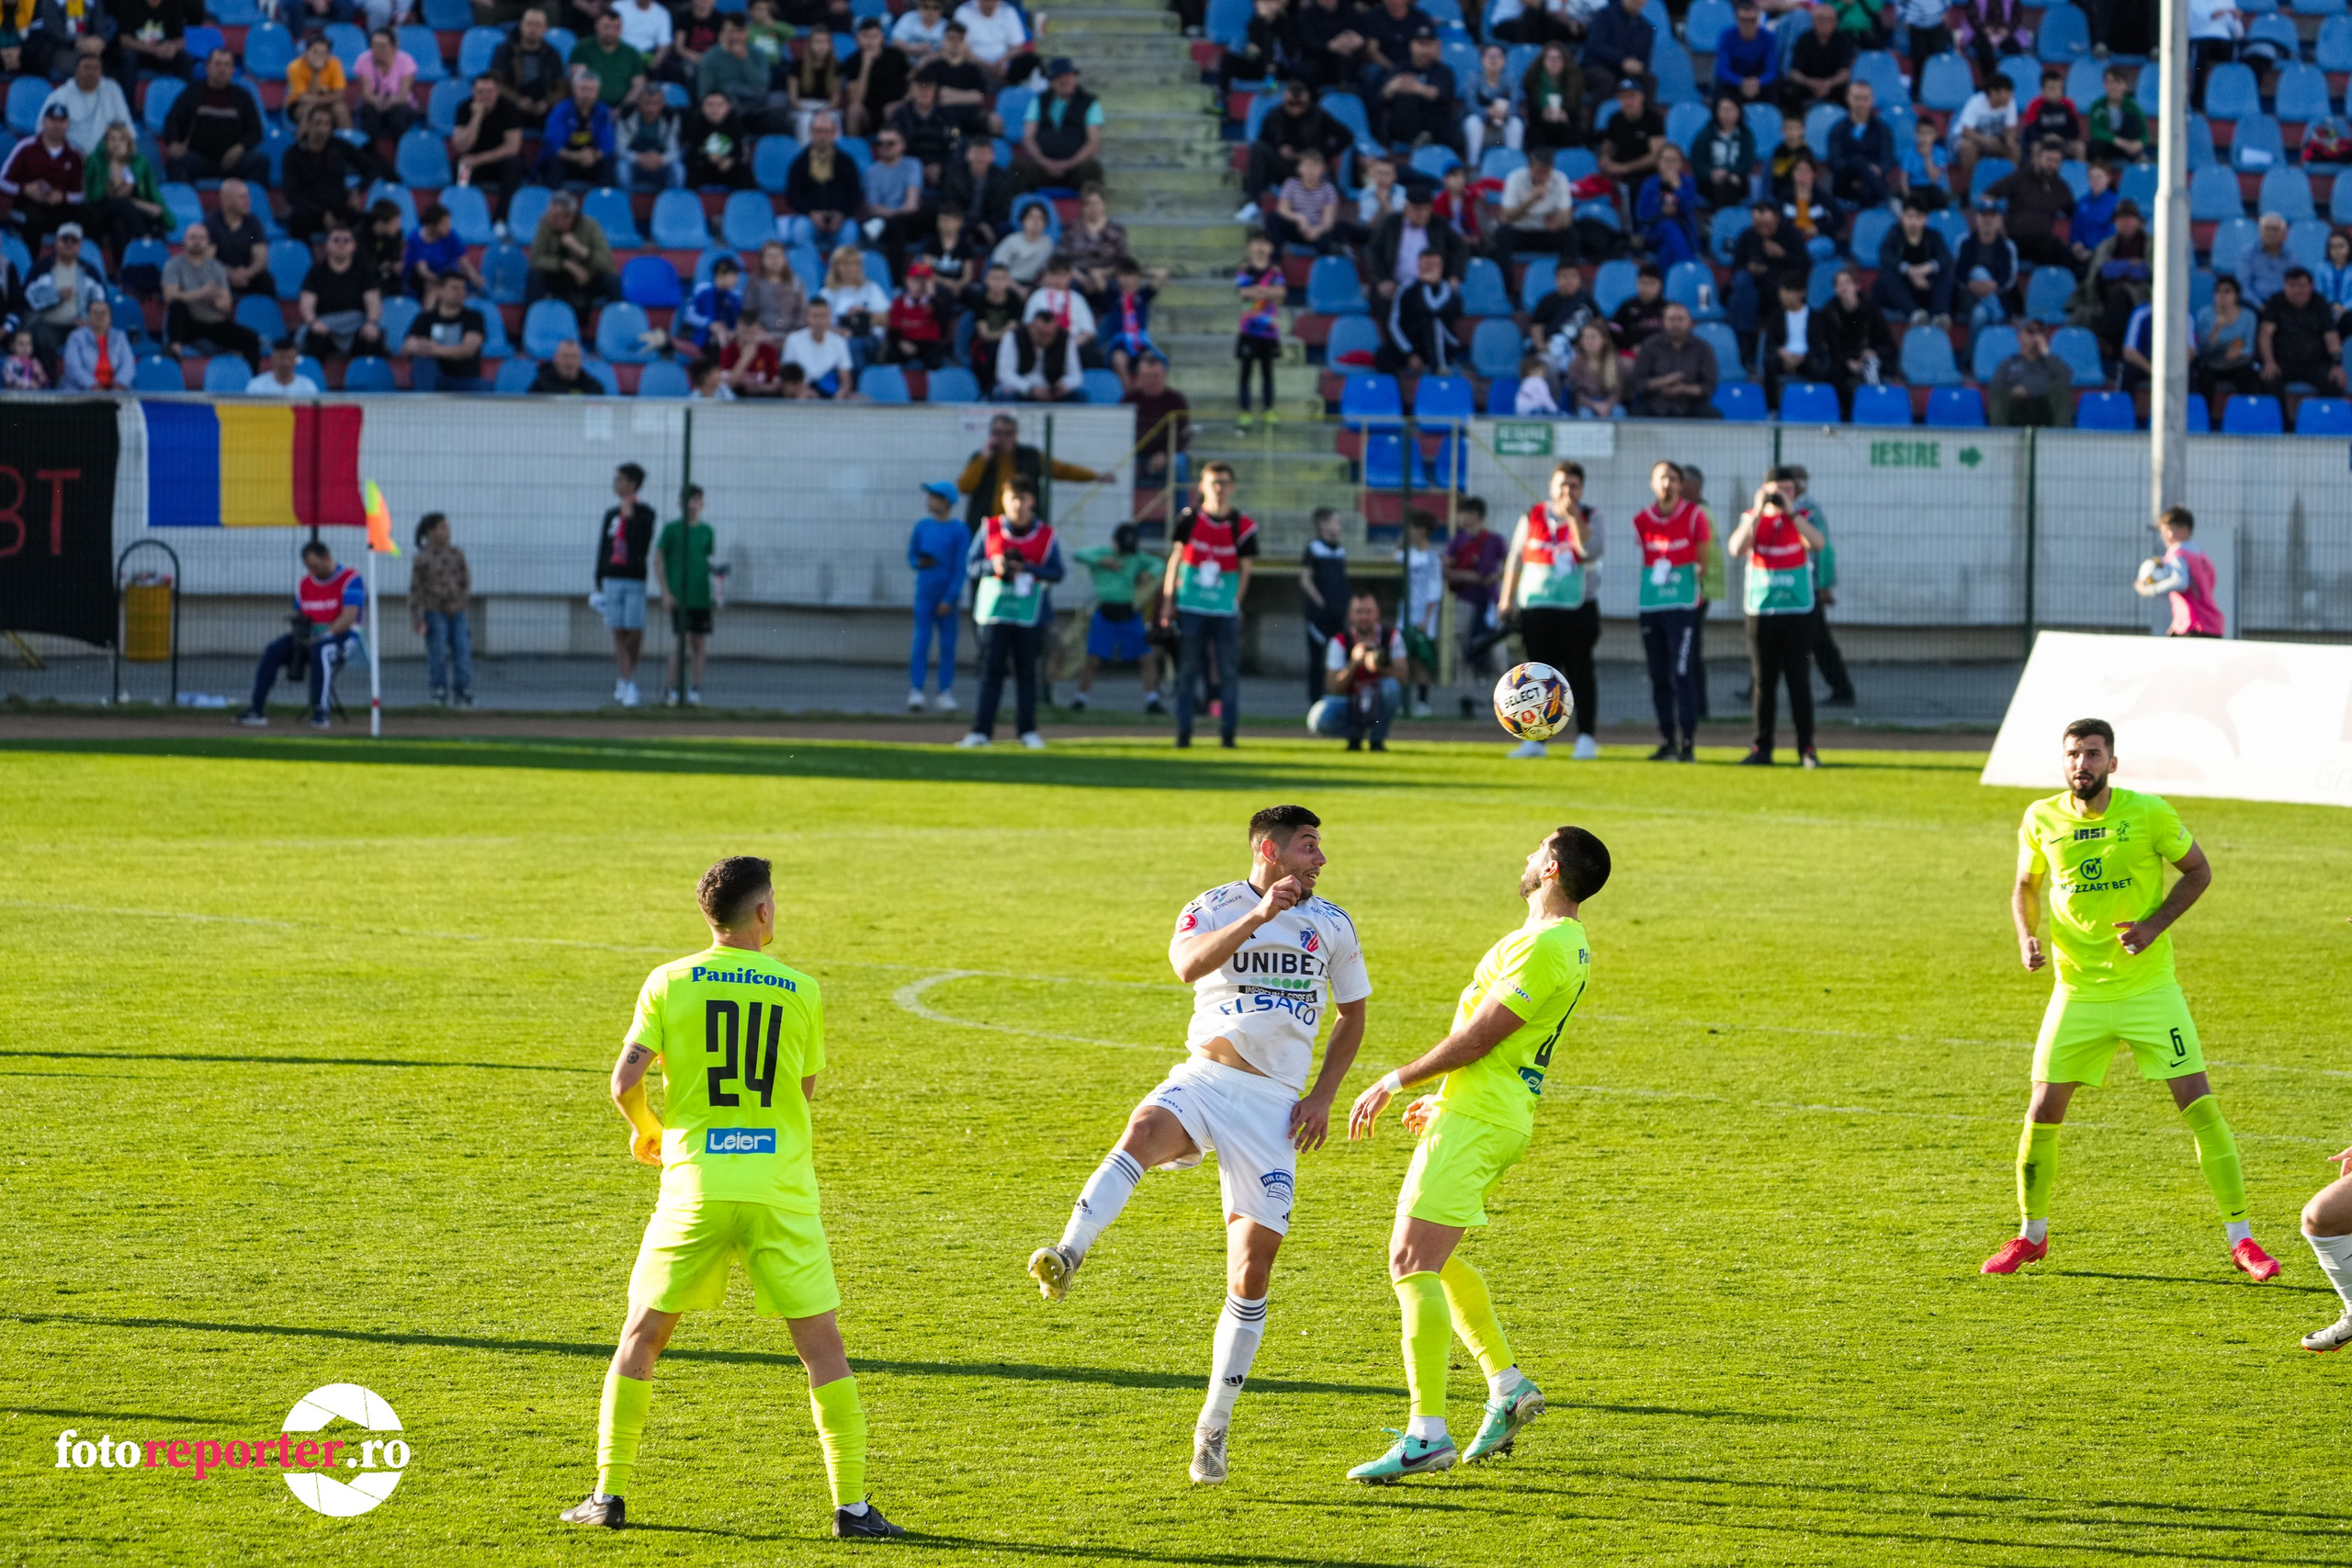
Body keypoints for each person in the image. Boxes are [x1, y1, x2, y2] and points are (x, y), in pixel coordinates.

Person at [559, 856, 906, 1540]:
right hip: (779, 1191)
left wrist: (648, 1132)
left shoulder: (668, 981)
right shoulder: (800, 988)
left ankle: (609, 1494)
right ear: (763, 912)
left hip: (696, 1186)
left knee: (643, 1337)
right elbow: (800, 1094)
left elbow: (623, 1079)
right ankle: (853, 1507)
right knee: (823, 1349)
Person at [1027, 805, 1369, 1487]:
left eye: (1320, 849)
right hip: (1206, 1077)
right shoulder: (1211, 906)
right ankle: (1068, 1251)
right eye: (1307, 847)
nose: (1319, 860)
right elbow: (1186, 966)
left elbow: (1353, 1014)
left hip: (1275, 1108)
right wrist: (1258, 917)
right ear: (1269, 849)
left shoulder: (1332, 924)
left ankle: (1212, 1428)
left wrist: (1325, 1095)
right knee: (1142, 1130)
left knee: (1250, 1271)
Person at [1341, 826, 1608, 1483]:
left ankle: (1425, 1432)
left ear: (1550, 867)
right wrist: (1450, 1100)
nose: (1523, 857)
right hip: (1485, 1110)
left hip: (1482, 1118)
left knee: (1409, 1260)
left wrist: (1395, 1078)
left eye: (1533, 850)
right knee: (1435, 1255)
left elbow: (1482, 1036)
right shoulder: (1562, 942)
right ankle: (1507, 1385)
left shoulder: (1548, 944)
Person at [1983, 719, 2282, 1284]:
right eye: (2073, 755)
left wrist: (2152, 925)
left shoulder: (2148, 813)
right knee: (2043, 1110)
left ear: (2113, 763)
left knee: (2199, 1104)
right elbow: (2026, 885)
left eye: (2093, 755)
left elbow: (2199, 871)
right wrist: (2026, 934)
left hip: (2149, 991)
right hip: (2076, 994)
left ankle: (2243, 1240)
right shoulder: (2040, 817)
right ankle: (2032, 1235)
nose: (2082, 765)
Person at [1498, 460, 1601, 760]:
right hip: (1537, 608)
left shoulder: (1591, 516)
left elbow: (1589, 551)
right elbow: (1516, 559)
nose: (1567, 490)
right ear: (1551, 486)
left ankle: (1585, 737)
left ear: (1581, 488)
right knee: (1537, 678)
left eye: (1573, 485)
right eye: (1562, 484)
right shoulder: (1533, 515)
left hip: (1577, 607)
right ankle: (1535, 739)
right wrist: (1506, 599)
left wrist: (1573, 520)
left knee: (1580, 673)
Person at [956, 473, 1061, 749]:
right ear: (1003, 500)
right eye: (1012, 498)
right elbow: (971, 566)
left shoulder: (1046, 535)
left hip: (1029, 615)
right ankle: (981, 732)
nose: (1017, 505)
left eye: (1022, 499)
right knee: (991, 672)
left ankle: (1027, 731)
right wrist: (995, 567)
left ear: (1032, 501)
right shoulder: (989, 529)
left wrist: (1029, 569)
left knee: (1026, 674)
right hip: (995, 614)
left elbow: (1057, 571)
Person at [1726, 477, 1826, 767]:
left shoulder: (1802, 518)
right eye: (1776, 489)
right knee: (1764, 682)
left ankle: (1806, 749)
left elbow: (1817, 543)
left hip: (1797, 612)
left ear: (1796, 493)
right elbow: (1736, 548)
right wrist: (1758, 511)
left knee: (1799, 681)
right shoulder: (1751, 518)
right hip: (1762, 612)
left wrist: (1790, 512)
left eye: (1788, 489)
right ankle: (1762, 748)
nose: (1781, 494)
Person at [1161, 462, 1259, 750]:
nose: (1219, 488)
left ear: (1232, 487)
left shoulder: (1242, 526)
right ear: (1202, 486)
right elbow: (1176, 558)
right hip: (1191, 606)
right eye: (1213, 482)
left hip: (1223, 611)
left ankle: (1228, 734)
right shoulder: (1189, 519)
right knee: (1188, 671)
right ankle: (1183, 733)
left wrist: (1235, 603)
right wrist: (1168, 600)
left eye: (1224, 482)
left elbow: (1246, 570)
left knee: (1228, 672)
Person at [234, 539, 367, 730]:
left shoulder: (351, 579)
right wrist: (297, 622)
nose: (312, 571)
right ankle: (256, 709)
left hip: (342, 639)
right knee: (273, 651)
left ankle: (321, 711)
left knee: (322, 651)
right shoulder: (304, 584)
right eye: (308, 567)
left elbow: (348, 618)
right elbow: (301, 613)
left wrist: (321, 637)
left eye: (315, 566)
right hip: (309, 638)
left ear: (327, 558)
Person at [1631, 459, 1709, 761]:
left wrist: (1683, 582)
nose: (1667, 484)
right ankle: (1667, 740)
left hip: (1682, 606)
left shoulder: (1693, 516)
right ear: (1653, 483)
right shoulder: (1642, 519)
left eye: (1673, 479)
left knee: (1682, 672)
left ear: (1681, 484)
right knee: (1658, 674)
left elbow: (1702, 559)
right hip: (1651, 605)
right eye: (1662, 478)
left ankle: (1688, 741)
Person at [954, 412, 1106, 532]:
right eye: (998, 433)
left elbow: (1062, 470)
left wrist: (1094, 476)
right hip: (988, 528)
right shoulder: (980, 458)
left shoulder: (1030, 456)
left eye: (1008, 433)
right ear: (990, 435)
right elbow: (964, 486)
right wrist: (984, 457)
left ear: (1016, 435)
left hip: (1022, 528)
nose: (1003, 438)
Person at [594, 463, 657, 707]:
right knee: (618, 629)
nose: (616, 483)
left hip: (634, 578)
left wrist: (629, 518)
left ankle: (627, 675)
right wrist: (599, 578)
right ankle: (627, 680)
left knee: (635, 630)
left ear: (632, 484)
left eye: (621, 479)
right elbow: (603, 547)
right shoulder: (611, 515)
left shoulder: (645, 514)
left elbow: (642, 544)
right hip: (612, 577)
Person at [1312, 589, 1405, 750]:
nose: (1364, 617)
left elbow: (1404, 677)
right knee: (1320, 718)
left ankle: (1377, 739)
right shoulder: (1340, 641)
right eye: (1359, 612)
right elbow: (1332, 686)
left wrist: (1378, 667)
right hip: (1351, 701)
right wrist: (1354, 662)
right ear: (1350, 615)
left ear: (1377, 613)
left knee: (1391, 687)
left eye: (1368, 612)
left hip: (1377, 699)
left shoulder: (1391, 637)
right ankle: (1354, 736)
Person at [162, 49, 267, 185]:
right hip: (199, 158)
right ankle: (183, 204)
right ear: (207, 67)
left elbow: (255, 131)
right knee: (176, 161)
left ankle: (252, 204)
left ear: (233, 70)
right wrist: (174, 142)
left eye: (226, 65)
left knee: (260, 162)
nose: (222, 69)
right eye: (217, 64)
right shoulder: (192, 93)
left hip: (234, 160)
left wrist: (239, 148)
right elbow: (173, 120)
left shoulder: (244, 97)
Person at [905, 480, 967, 713]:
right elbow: (912, 556)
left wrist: (949, 599)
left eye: (934, 497)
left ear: (946, 502)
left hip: (946, 599)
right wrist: (919, 562)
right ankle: (916, 690)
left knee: (947, 645)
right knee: (920, 642)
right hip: (925, 593)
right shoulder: (922, 526)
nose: (929, 501)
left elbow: (960, 568)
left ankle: (944, 691)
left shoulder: (959, 530)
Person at [161, 220, 259, 363]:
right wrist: (202, 293)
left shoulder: (217, 267)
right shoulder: (173, 264)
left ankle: (252, 381)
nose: (197, 242)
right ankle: (174, 353)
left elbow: (226, 305)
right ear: (184, 240)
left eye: (201, 238)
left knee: (251, 339)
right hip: (189, 324)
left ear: (208, 242)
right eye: (192, 238)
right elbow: (170, 297)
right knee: (177, 306)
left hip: (213, 323)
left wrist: (216, 299)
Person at [1443, 496, 1506, 719]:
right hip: (1466, 601)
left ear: (1475, 515)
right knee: (1464, 651)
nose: (1459, 518)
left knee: (1497, 652)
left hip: (1491, 603)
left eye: (1462, 513)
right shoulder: (1457, 541)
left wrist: (1494, 577)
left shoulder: (1495, 540)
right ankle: (1466, 699)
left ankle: (1507, 700)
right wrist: (1469, 576)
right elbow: (1447, 570)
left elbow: (1509, 566)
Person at [654, 486, 717, 707]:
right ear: (681, 504)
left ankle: (695, 690)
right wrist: (666, 592)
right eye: (689, 500)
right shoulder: (671, 530)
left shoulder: (707, 531)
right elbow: (658, 560)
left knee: (699, 643)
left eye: (697, 500)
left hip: (701, 596)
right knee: (681, 641)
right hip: (680, 597)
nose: (693, 505)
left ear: (702, 504)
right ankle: (671, 690)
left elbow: (704, 560)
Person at [408, 512, 474, 708]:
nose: (447, 532)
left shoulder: (456, 554)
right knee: (437, 652)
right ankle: (438, 691)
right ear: (430, 531)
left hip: (457, 611)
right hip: (433, 611)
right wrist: (416, 615)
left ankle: (463, 691)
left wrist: (460, 603)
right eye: (442, 528)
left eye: (448, 527)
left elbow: (466, 581)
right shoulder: (422, 558)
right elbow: (415, 588)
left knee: (462, 650)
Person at [2258, 266, 2347, 409]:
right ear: (2285, 286)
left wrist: (2337, 365)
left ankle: (2322, 423)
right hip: (2283, 363)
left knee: (2334, 381)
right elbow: (2265, 334)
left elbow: (2331, 336)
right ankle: (2281, 427)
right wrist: (2269, 362)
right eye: (2292, 286)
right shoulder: (2276, 302)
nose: (2297, 290)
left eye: (2301, 286)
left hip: (2315, 364)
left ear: (2311, 286)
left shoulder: (2320, 304)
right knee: (2268, 380)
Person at [5, 103, 87, 254]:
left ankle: (84, 265)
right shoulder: (25, 147)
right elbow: (3, 181)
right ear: (44, 121)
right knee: (34, 220)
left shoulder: (74, 155)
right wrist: (26, 189)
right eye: (52, 120)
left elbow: (80, 194)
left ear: (67, 124)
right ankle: (31, 268)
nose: (57, 125)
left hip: (59, 208)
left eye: (61, 121)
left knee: (87, 215)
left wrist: (63, 197)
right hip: (27, 206)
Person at [1985, 138, 2077, 273]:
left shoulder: (2061, 187)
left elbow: (2075, 213)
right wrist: (1996, 219)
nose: (2052, 164)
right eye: (2048, 159)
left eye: (2056, 161)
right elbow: (1988, 196)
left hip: (2040, 243)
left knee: (2066, 254)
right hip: (2013, 239)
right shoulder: (2020, 178)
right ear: (2039, 158)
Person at [2132, 506, 2224, 638]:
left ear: (2184, 529)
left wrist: (2150, 589)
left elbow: (2180, 582)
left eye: (2168, 530)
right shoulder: (2202, 557)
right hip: (2211, 624)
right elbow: (2194, 594)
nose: (2164, 536)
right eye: (2162, 531)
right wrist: (2176, 621)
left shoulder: (2177, 553)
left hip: (2193, 627)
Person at [297, 225, 387, 361]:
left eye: (346, 240)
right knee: (314, 337)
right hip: (325, 326)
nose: (341, 244)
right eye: (336, 240)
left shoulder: (364, 273)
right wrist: (313, 322)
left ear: (354, 245)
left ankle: (369, 378)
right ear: (327, 245)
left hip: (357, 325)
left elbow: (374, 303)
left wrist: (371, 323)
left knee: (373, 336)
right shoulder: (315, 273)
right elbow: (306, 304)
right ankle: (316, 380)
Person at [1017, 57, 1104, 192]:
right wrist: (1044, 162)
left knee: (1093, 170)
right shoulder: (1039, 101)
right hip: (1042, 167)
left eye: (1069, 75)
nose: (1065, 80)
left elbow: (1094, 142)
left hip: (1076, 168)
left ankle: (1091, 211)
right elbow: (1028, 137)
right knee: (1017, 168)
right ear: (1052, 81)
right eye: (1060, 76)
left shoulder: (1090, 103)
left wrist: (1069, 164)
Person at [78, 119, 159, 265]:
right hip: (96, 213)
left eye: (122, 140)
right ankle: (146, 239)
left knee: (120, 224)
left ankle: (123, 268)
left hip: (120, 215)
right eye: (112, 139)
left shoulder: (134, 166)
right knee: (121, 203)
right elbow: (103, 195)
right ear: (105, 142)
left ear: (128, 144)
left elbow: (136, 199)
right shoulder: (96, 162)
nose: (116, 144)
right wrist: (115, 164)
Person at [527, 191, 620, 310]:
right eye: (550, 214)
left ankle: (618, 318)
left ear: (570, 216)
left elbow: (608, 263)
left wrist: (581, 250)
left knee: (612, 281)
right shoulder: (545, 223)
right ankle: (531, 318)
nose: (551, 219)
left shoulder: (590, 226)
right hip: (558, 277)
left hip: (587, 277)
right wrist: (565, 264)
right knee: (535, 275)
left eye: (556, 216)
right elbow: (536, 259)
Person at [452, 72, 528, 213]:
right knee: (460, 165)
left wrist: (479, 159)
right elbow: (462, 146)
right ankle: (462, 212)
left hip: (498, 161)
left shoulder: (510, 109)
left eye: (490, 92)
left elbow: (513, 147)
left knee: (514, 164)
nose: (485, 96)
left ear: (497, 91)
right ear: (473, 92)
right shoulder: (463, 108)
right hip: (472, 162)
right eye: (480, 92)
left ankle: (502, 217)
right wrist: (476, 117)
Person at [1380, 247, 1463, 376]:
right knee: (1384, 355)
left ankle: (1440, 369)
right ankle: (1391, 392)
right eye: (1426, 264)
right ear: (1418, 265)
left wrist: (1429, 286)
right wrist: (1410, 353)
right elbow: (1394, 324)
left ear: (1441, 267)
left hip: (1441, 342)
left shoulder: (1448, 291)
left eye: (1434, 264)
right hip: (1413, 342)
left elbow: (1433, 309)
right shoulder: (1406, 289)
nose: (1429, 268)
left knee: (1433, 322)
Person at [1628, 302, 1720, 418]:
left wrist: (1684, 389)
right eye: (1671, 319)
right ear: (1663, 322)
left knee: (1713, 415)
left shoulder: (1703, 348)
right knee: (1636, 414)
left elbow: (1709, 386)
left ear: (1690, 322)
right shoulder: (1649, 346)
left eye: (1680, 319)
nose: (1676, 324)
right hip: (1655, 404)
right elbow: (1638, 383)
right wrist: (1662, 382)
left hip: (1691, 405)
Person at [1297, 505, 1350, 707]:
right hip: (1319, 615)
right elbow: (1305, 580)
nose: (1339, 526)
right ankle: (1316, 703)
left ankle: (1338, 699)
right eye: (1335, 521)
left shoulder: (1340, 550)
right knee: (1317, 660)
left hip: (1339, 614)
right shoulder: (1313, 549)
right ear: (1322, 524)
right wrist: (1321, 603)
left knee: (1340, 659)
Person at [403, 273, 490, 392]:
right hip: (435, 379)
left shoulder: (474, 318)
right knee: (422, 361)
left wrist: (434, 349)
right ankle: (425, 404)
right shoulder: (426, 318)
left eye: (463, 288)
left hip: (465, 380)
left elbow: (468, 349)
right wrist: (419, 346)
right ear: (440, 291)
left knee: (485, 387)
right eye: (454, 288)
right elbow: (407, 346)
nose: (460, 293)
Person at [1872, 199, 1953, 324]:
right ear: (1903, 217)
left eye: (1918, 217)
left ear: (1925, 219)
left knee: (1947, 270)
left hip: (1925, 287)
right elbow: (1885, 255)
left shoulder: (1933, 235)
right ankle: (1914, 315)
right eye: (1909, 216)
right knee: (1887, 273)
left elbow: (1946, 257)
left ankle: (1939, 315)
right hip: (1900, 292)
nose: (1913, 221)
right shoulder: (1894, 234)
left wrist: (1926, 268)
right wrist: (1910, 271)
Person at [2190, 274, 2260, 419]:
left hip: (2237, 362)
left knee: (2249, 377)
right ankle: (2204, 417)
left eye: (2227, 291)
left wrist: (2239, 353)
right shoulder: (2204, 314)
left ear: (2236, 295)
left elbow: (2250, 348)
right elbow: (2203, 350)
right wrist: (2217, 328)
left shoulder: (2249, 316)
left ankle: (2244, 417)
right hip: (2212, 361)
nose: (2222, 296)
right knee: (2204, 376)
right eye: (2218, 291)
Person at [1234, 231, 1284, 430]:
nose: (1261, 248)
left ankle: (1268, 410)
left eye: (1265, 243)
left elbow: (1281, 293)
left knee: (1267, 371)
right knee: (1246, 371)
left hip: (1269, 330)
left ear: (1271, 248)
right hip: (1248, 330)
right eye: (1257, 243)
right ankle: (1245, 411)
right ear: (1249, 247)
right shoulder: (1244, 269)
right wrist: (1269, 292)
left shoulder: (1276, 271)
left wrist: (1258, 292)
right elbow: (1244, 292)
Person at [1826, 80, 1900, 210]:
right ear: (1848, 98)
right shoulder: (1837, 130)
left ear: (1872, 100)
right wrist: (1861, 167)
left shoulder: (1883, 130)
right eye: (1857, 98)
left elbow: (1888, 159)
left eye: (1865, 99)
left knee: (1866, 188)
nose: (1860, 103)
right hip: (1846, 183)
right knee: (1857, 161)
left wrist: (1876, 169)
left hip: (1871, 186)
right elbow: (1834, 162)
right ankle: (1889, 198)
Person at [1986, 317, 2072, 426]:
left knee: (2061, 387)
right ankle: (2000, 437)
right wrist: (2013, 392)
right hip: (2017, 411)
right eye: (2030, 331)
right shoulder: (2008, 364)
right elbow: (1997, 388)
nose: (2036, 336)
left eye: (2039, 331)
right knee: (1999, 392)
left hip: (2043, 410)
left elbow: (2067, 377)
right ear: (2019, 337)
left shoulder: (2051, 361)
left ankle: (2061, 439)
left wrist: (2046, 351)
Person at [1949, 74, 2019, 202]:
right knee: (1968, 146)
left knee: (2014, 149)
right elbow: (1966, 131)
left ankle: (2010, 189)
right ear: (1993, 92)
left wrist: (2009, 139)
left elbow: (2011, 128)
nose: (2009, 95)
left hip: (1992, 140)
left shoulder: (2010, 103)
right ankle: (1972, 189)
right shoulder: (1977, 102)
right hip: (1965, 138)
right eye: (2006, 92)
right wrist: (1986, 141)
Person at [1781, 4, 1855, 117]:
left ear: (1835, 22)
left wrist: (1828, 83)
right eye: (1820, 19)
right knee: (1788, 91)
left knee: (1849, 91)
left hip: (1834, 86)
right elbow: (1794, 72)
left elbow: (1845, 72)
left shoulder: (1843, 40)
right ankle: (1795, 126)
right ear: (1813, 21)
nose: (1824, 23)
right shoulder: (1804, 39)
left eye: (1828, 19)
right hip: (1808, 85)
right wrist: (1811, 83)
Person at [1692, 95, 1758, 215]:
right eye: (1724, 109)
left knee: (1730, 184)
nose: (1728, 114)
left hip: (1738, 178)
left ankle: (1715, 221)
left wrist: (1727, 172)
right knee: (1725, 185)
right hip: (1709, 180)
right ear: (1716, 112)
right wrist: (1711, 173)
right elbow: (1698, 163)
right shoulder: (1705, 135)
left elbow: (1747, 163)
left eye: (1732, 109)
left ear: (1739, 112)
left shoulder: (1746, 136)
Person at [354, 28, 421, 142]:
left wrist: (388, 103)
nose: (377, 49)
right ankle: (368, 156)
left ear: (393, 46)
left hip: (400, 103)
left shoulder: (406, 61)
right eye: (374, 45)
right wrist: (378, 102)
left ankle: (402, 155)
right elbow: (367, 93)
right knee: (369, 115)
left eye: (382, 45)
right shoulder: (364, 60)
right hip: (374, 102)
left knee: (398, 117)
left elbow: (403, 94)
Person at [57, 294, 130, 389]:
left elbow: (127, 364)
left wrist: (120, 384)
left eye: (103, 313)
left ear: (110, 317)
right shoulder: (76, 337)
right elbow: (73, 367)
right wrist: (92, 385)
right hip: (81, 389)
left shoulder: (120, 337)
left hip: (115, 389)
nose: (99, 316)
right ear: (88, 316)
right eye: (95, 313)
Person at [1713, 0, 1779, 102]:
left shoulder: (1768, 37)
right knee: (1720, 88)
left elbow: (1771, 71)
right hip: (1733, 83)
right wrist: (1741, 82)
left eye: (1752, 20)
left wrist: (1758, 82)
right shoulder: (1726, 36)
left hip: (1758, 83)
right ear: (1736, 20)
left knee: (1774, 90)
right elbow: (1722, 69)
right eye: (1743, 20)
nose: (1748, 24)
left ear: (1758, 20)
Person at [245, 337, 322, 396]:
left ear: (295, 360)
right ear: (272, 359)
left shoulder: (307, 386)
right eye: (281, 358)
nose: (285, 362)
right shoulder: (257, 386)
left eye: (289, 358)